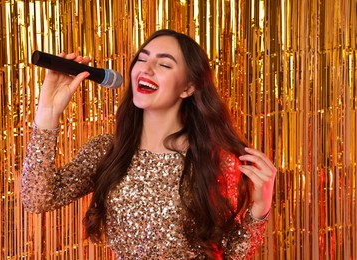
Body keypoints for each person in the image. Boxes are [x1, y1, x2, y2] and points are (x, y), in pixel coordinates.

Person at [22, 29, 276, 259]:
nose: (146, 68)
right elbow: (37, 200)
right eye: (142, 59)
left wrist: (259, 210)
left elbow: (229, 255)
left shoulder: (215, 161)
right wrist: (47, 113)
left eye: (164, 64)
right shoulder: (107, 150)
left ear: (188, 87)